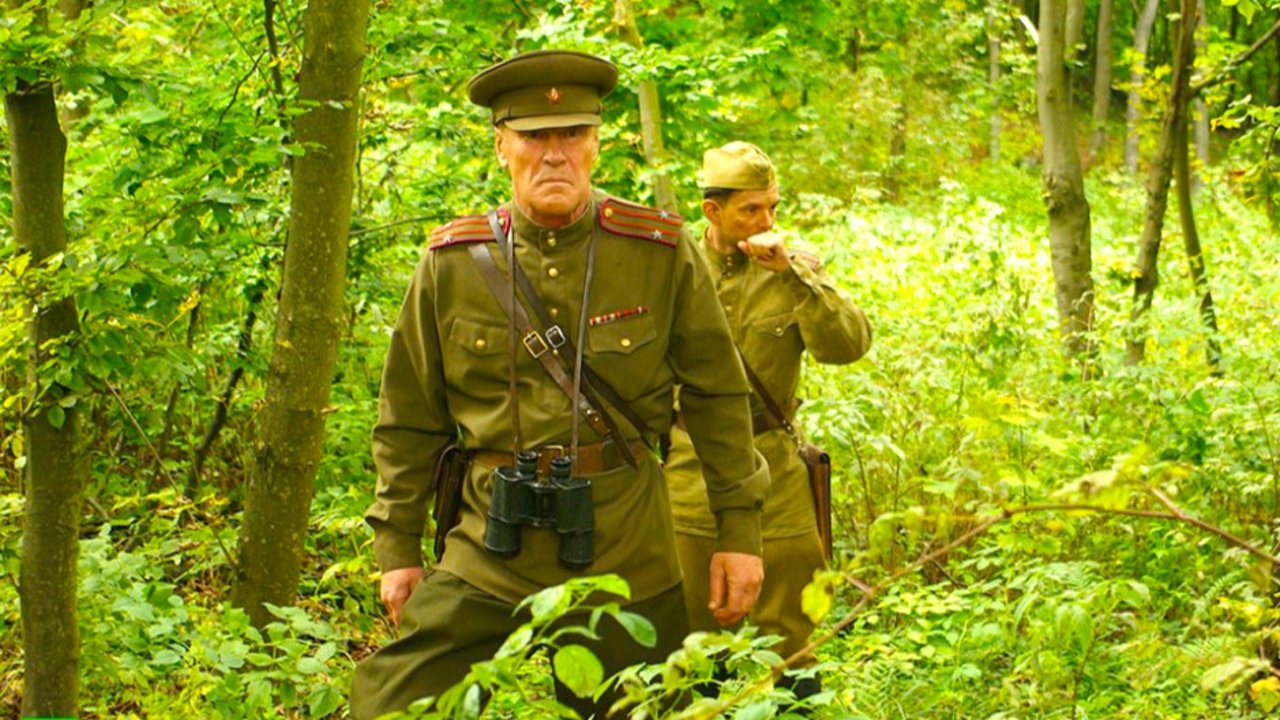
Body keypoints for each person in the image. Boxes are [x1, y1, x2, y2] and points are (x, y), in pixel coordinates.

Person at [350, 51, 770, 719]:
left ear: (596, 144)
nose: (554, 154)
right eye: (534, 136)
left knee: (646, 710)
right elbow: (408, 418)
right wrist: (397, 545)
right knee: (392, 703)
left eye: (572, 134)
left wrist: (739, 530)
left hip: (625, 548)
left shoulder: (657, 251)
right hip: (488, 545)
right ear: (501, 147)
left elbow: (717, 395)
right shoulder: (451, 264)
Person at [665, 141, 872, 698]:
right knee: (693, 638)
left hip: (775, 473)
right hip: (690, 474)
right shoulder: (674, 268)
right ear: (712, 211)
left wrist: (795, 276)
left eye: (772, 207)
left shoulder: (793, 268)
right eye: (751, 209)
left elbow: (849, 345)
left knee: (793, 639)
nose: (767, 222)